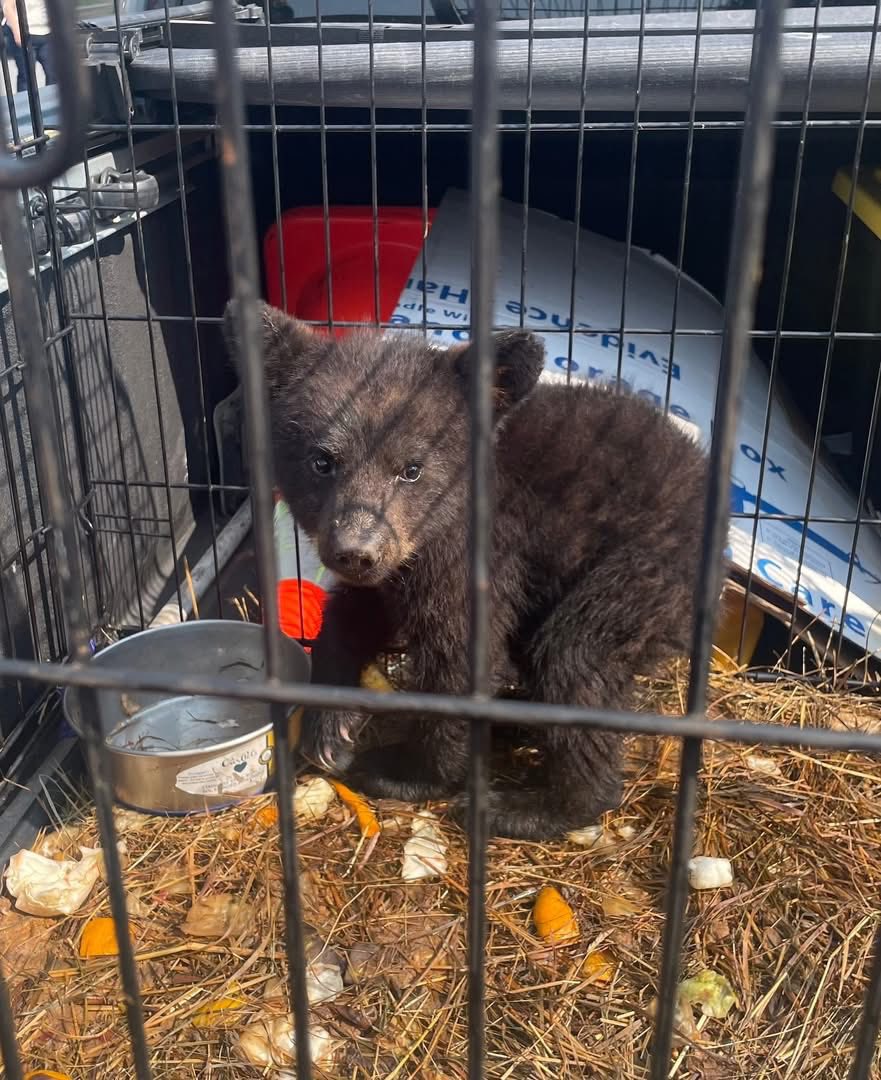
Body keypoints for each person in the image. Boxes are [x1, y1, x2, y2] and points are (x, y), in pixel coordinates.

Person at [1, 0, 54, 93]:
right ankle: (25, 101)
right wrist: (17, 32)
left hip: (46, 32)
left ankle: (52, 99)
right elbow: (7, 7)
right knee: (27, 76)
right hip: (24, 31)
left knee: (53, 73)